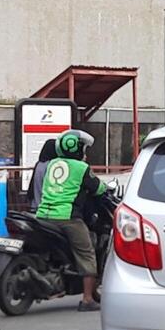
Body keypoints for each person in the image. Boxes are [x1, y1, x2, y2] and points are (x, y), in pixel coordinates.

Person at [33, 129, 103, 311]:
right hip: (67, 217)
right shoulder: (81, 168)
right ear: (77, 149)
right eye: (84, 149)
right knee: (87, 254)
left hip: (42, 214)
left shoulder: (52, 164)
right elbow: (97, 188)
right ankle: (87, 299)